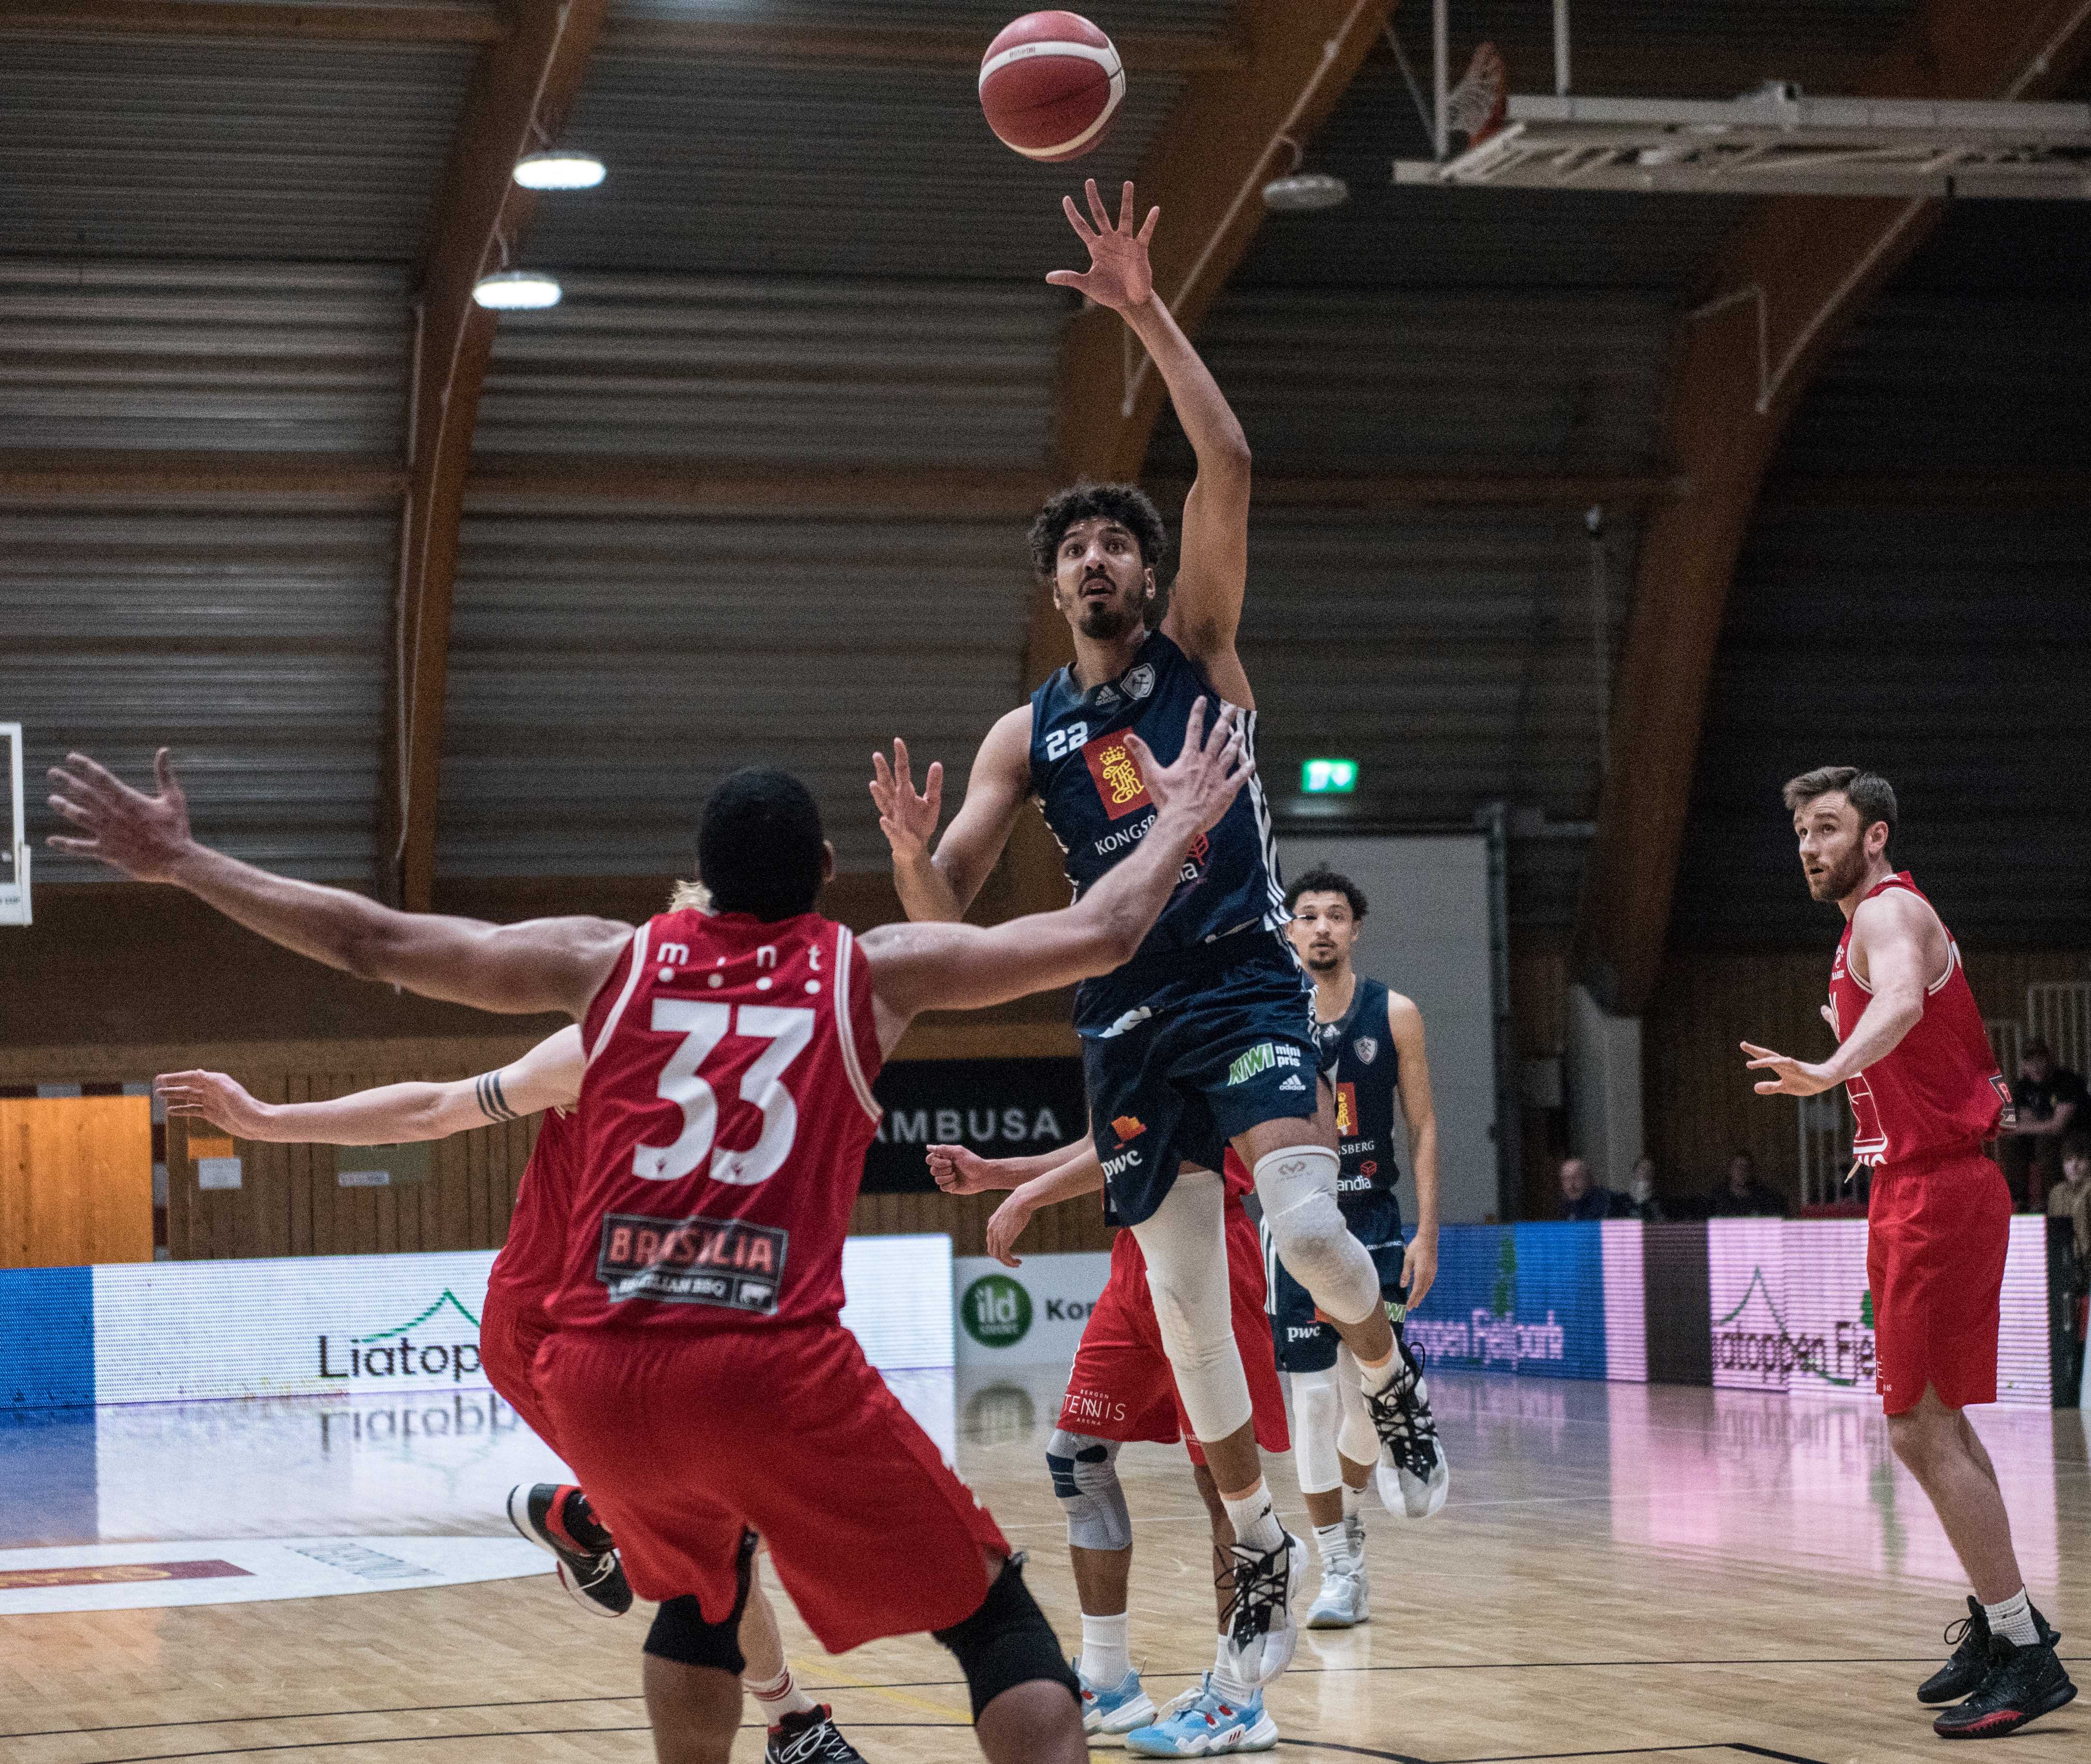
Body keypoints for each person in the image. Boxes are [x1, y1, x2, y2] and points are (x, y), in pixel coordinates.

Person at [48, 694, 1251, 1764]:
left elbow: (374, 941)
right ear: (826, 868)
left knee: (705, 1592)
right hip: (770, 1363)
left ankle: (681, 1620)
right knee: (995, 1623)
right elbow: (1097, 936)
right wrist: (1180, 815)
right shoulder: (867, 971)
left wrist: (189, 859)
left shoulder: (607, 966)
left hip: (601, 1376)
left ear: (703, 876)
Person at [867, 179, 1420, 1689]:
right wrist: (917, 856)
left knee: (1306, 1233)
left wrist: (1141, 307)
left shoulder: (1203, 651)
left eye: (1121, 541)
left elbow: (1228, 456)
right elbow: (953, 929)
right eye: (1080, 549)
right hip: (1116, 1018)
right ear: (1052, 584)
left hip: (1238, 976)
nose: (1101, 559)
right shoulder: (1020, 733)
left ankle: (1384, 1361)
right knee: (1187, 1322)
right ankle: (1253, 1596)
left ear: (1152, 572)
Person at [157, 1030, 868, 1764]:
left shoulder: (773, 1061)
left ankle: (588, 1519)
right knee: (713, 1533)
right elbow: (433, 1110)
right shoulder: (600, 1046)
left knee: (722, 1516)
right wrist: (268, 1119)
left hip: (662, 1329)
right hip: (551, 1332)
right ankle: (794, 1724)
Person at [1742, 765, 2074, 1740]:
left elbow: (1897, 1005)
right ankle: (2001, 1618)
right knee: (1936, 1421)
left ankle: (2025, 1653)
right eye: (1801, 829)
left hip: (1939, 1190)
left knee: (1917, 1429)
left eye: (1829, 825)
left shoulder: (1890, 915)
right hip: (1913, 1185)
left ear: (1875, 835)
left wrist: (1831, 1070)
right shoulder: (1866, 919)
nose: (1810, 844)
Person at [928, 1134, 1289, 1757]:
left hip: (1205, 1246)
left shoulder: (1184, 1032)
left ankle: (1239, 1697)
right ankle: (1106, 1680)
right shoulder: (1109, 1035)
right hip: (1136, 1252)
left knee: (1226, 1490)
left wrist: (1028, 1195)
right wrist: (999, 1173)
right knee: (1077, 1459)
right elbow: (1109, 1142)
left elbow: (1156, 1137)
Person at [1276, 866, 1447, 1629]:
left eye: (1334, 916)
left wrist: (1428, 1231)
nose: (1320, 927)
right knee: (1311, 1402)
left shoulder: (1396, 1012)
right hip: (1292, 1220)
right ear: (1288, 930)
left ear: (1355, 929)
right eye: (1306, 915)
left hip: (1373, 1222)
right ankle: (1341, 1563)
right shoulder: (1269, 1017)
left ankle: (1367, 1490)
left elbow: (1423, 1127)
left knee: (1360, 1409)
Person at [1999, 1038, 2086, 1211]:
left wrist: (2018, 1128)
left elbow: (2059, 1125)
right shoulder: (2024, 1086)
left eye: (2040, 1059)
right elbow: (2026, 1122)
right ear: (2024, 1065)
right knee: (2013, 1143)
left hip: (2074, 1135)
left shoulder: (2066, 1082)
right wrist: (2018, 1129)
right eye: (2029, 1061)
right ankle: (2019, 1201)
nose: (2035, 1066)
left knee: (2044, 1143)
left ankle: (2050, 1200)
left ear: (2049, 1059)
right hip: (2045, 1135)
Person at [1705, 1150, 1789, 1218]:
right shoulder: (1717, 1198)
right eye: (1738, 1167)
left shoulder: (1764, 1198)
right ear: (1730, 1170)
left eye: (1746, 1167)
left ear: (1751, 1172)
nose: (1742, 1171)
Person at [1556, 1157, 1618, 1222]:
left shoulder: (1604, 1202)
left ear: (1588, 1179)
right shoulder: (1566, 1205)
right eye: (1566, 1180)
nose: (1571, 1185)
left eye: (1577, 1178)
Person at [1621, 1154, 1665, 1223]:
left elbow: (1660, 1221)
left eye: (1650, 1169)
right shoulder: (1623, 1199)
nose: (1646, 1172)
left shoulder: (1658, 1199)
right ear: (1635, 1171)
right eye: (1643, 1168)